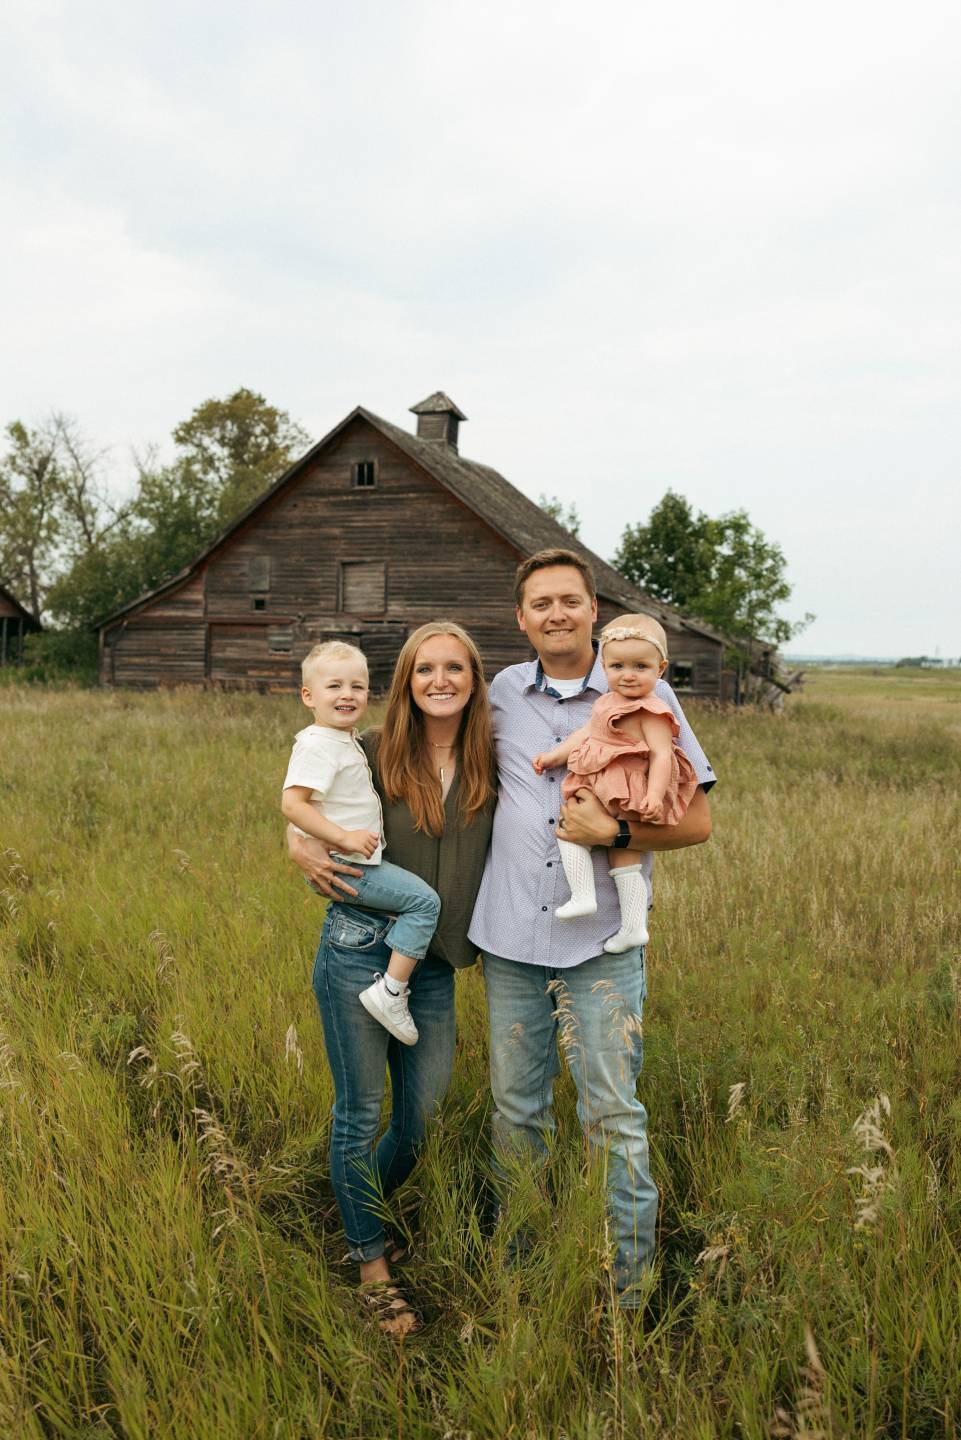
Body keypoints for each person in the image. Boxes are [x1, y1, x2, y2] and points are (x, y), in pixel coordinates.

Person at [468, 548, 715, 1309]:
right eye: (540, 603)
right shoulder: (501, 692)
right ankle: (525, 1274)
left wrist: (612, 838)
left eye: (569, 600)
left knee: (610, 1114)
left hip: (599, 945)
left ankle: (628, 1293)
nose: (555, 614)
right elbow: (424, 761)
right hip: (509, 940)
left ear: (592, 610)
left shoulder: (642, 688)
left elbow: (697, 822)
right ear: (521, 618)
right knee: (518, 1113)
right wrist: (309, 822)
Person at [287, 622, 496, 1335]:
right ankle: (370, 1261)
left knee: (420, 1121)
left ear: (473, 679)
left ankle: (354, 1204)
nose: (440, 680)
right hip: (356, 951)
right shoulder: (372, 749)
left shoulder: (491, 759)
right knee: (360, 1114)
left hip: (432, 963)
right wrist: (297, 844)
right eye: (424, 669)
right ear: (405, 682)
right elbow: (308, 806)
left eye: (454, 669)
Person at [281, 640, 441, 1045]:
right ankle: (390, 992)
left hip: (351, 857)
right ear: (308, 695)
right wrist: (341, 837)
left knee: (418, 902)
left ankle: (391, 985)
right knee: (424, 903)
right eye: (334, 686)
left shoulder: (345, 740)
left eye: (357, 686)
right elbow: (293, 804)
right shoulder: (318, 744)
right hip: (346, 861)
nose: (347, 695)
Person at [532, 615, 698, 952]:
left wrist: (653, 795)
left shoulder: (652, 710)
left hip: (626, 789)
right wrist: (555, 755)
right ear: (604, 668)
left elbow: (662, 755)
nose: (628, 674)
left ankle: (609, 911)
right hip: (602, 783)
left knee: (596, 844)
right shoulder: (606, 702)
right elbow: (584, 734)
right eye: (618, 666)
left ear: (660, 668)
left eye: (641, 666)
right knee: (597, 845)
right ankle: (608, 911)